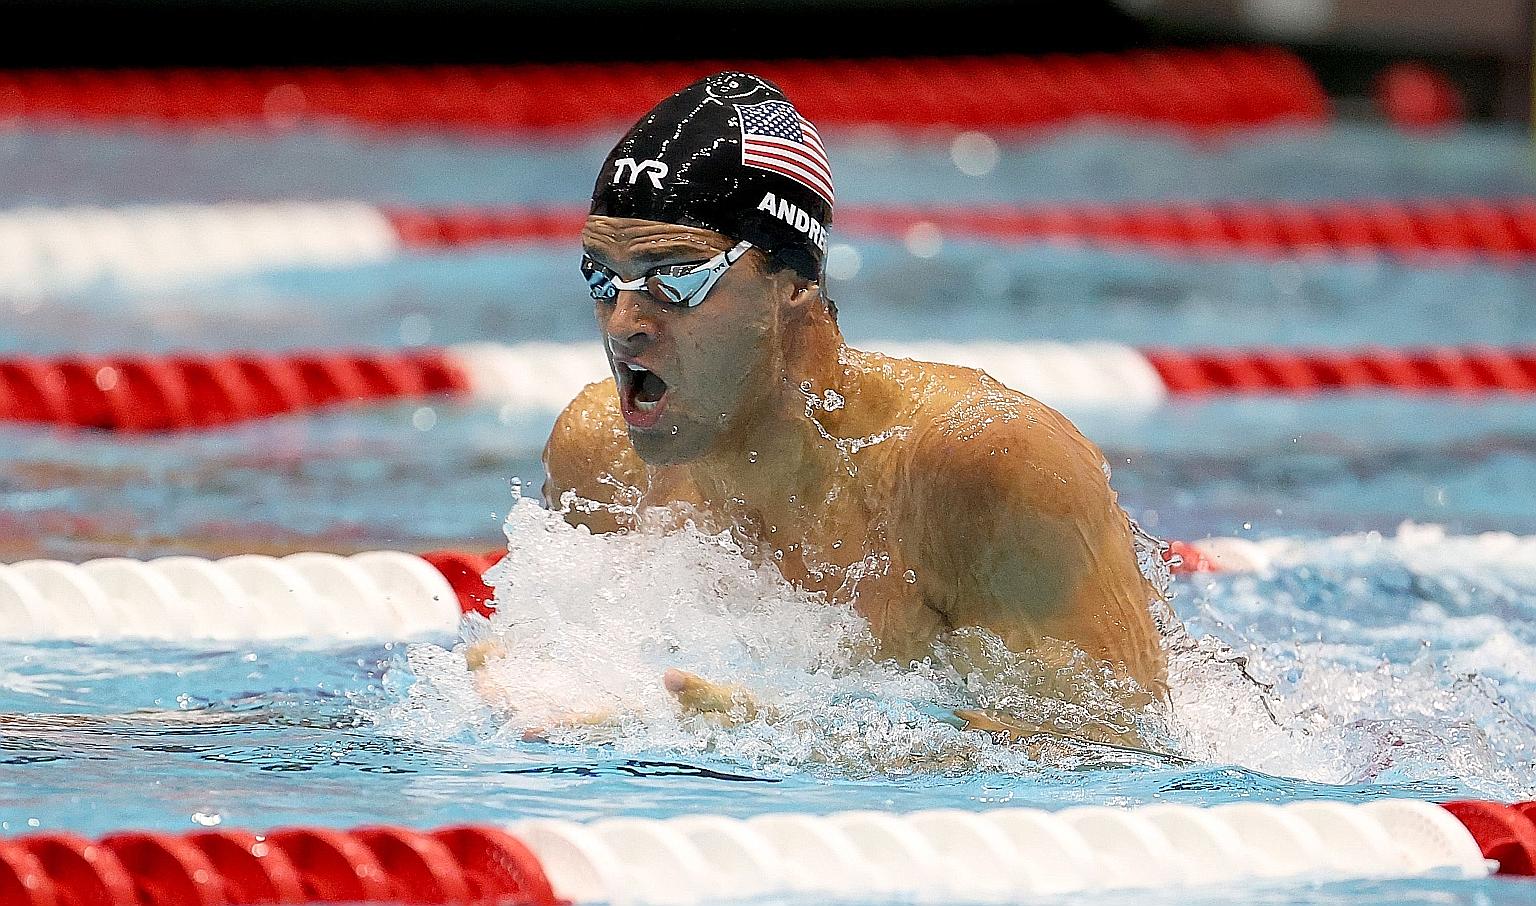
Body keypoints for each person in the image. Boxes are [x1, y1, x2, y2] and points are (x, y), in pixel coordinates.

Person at [472, 72, 1167, 746]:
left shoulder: (979, 464)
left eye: (677, 277)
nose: (624, 323)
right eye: (602, 276)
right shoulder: (600, 455)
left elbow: (1119, 751)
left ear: (794, 280)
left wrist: (809, 737)